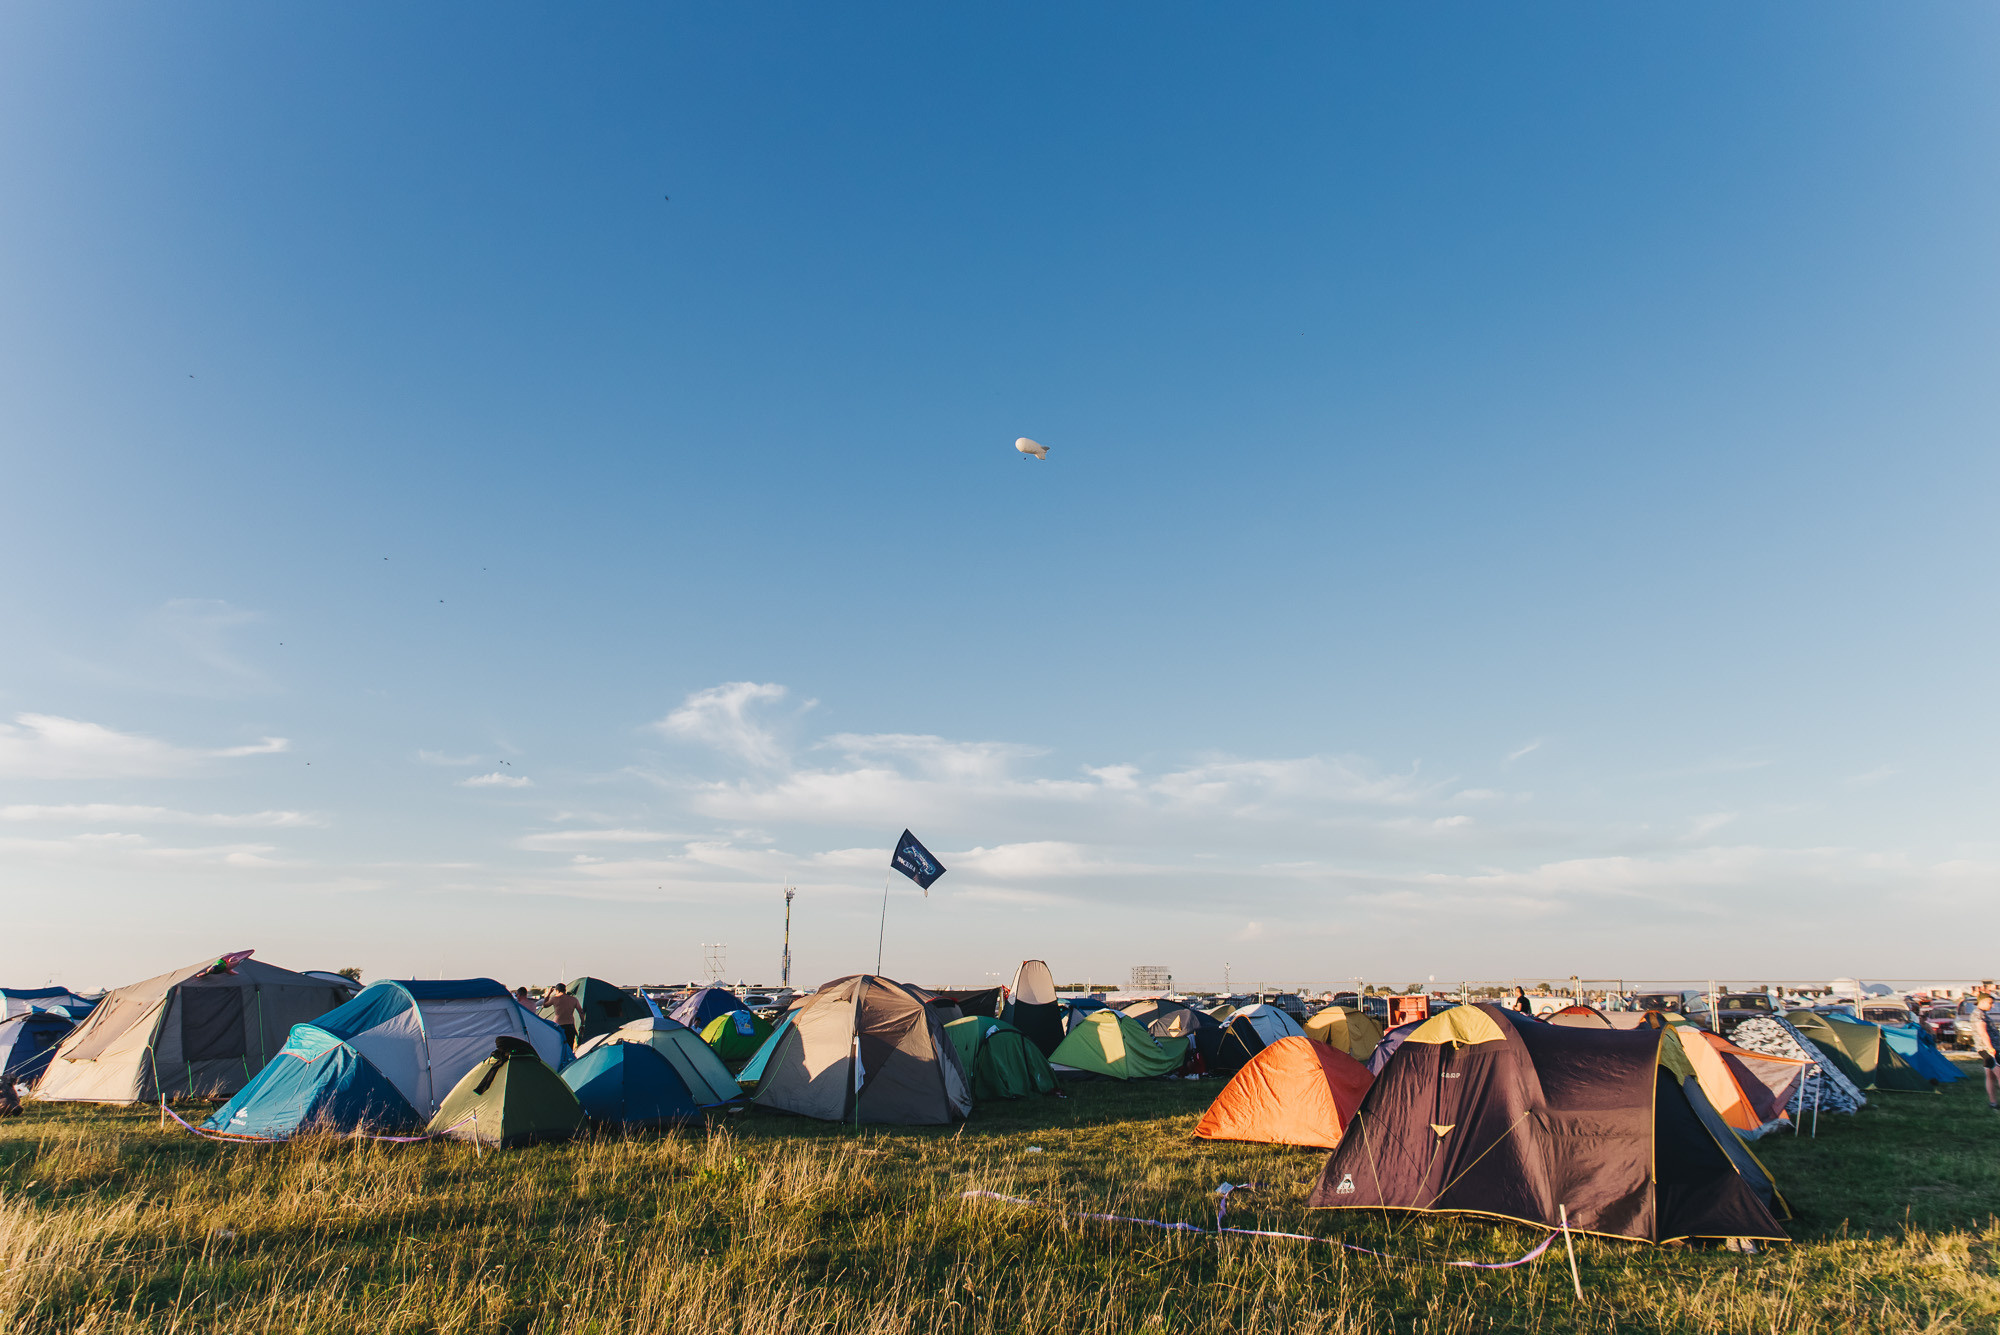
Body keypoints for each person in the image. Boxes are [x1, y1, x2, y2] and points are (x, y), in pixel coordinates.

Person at [1972, 995, 1998, 1111]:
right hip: (1989, 1049)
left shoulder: (1981, 1013)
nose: (1992, 1005)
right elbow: (1983, 1033)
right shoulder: (1979, 1014)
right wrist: (1990, 1048)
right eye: (1990, 1003)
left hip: (1986, 1049)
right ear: (1982, 1002)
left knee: (1990, 1076)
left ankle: (1993, 1103)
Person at [545, 982, 581, 1048]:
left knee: (558, 1046)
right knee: (569, 1046)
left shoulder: (554, 999)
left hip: (558, 1026)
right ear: (565, 990)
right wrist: (583, 1024)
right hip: (570, 1026)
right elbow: (581, 1012)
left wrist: (549, 993)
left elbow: (544, 1005)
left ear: (557, 991)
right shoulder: (574, 999)